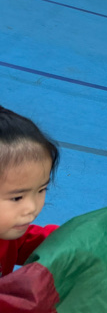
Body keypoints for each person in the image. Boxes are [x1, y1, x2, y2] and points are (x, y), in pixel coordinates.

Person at [0, 107, 60, 276]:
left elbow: (26, 243)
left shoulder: (7, 231)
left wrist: (74, 238)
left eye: (41, 189)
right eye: (17, 198)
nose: (32, 207)